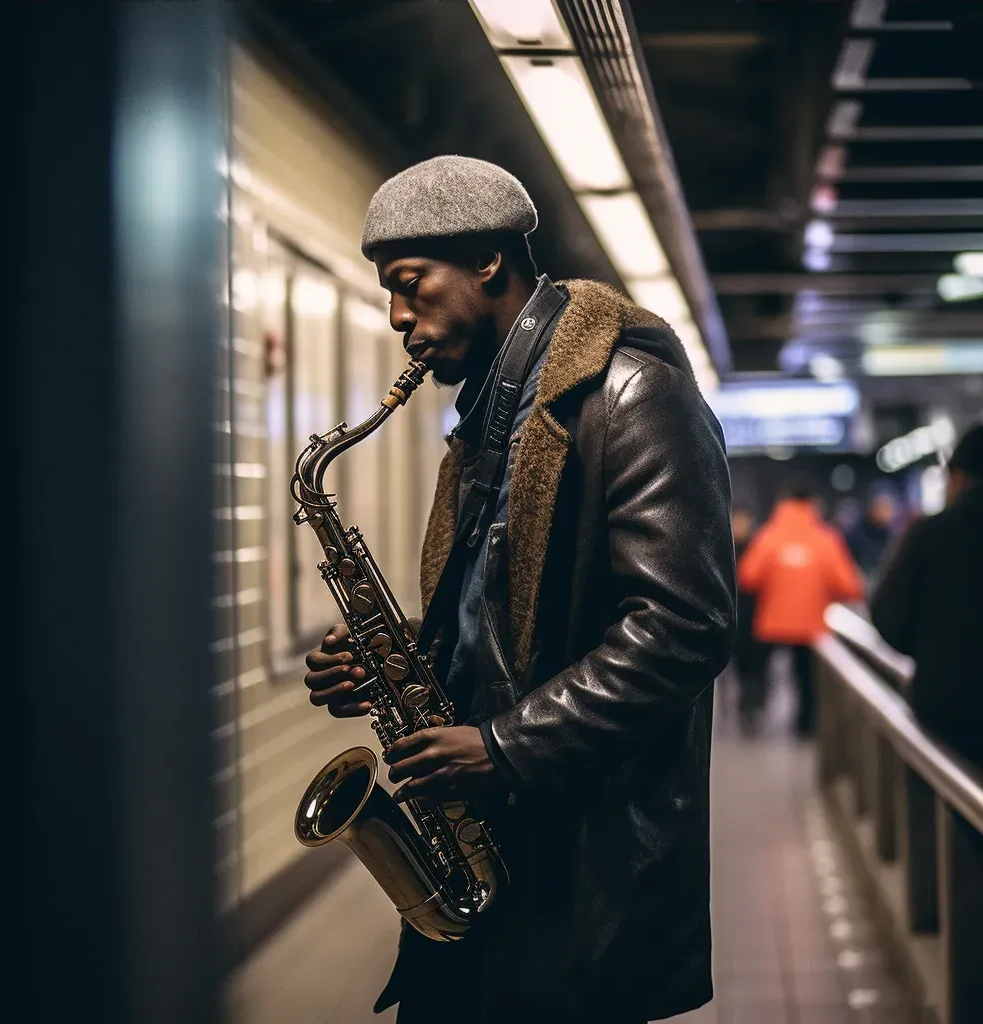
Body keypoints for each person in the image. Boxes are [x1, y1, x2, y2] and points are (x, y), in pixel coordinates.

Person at [302, 156, 735, 1023]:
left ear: (488, 261)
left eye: (410, 284)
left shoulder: (629, 393)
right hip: (499, 853)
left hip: (583, 868)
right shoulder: (493, 424)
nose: (398, 319)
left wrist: (501, 747)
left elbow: (684, 624)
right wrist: (400, 657)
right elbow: (512, 619)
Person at [870, 424, 983, 767]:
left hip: (947, 711)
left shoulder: (929, 535)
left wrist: (938, 652)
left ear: (959, 476)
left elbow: (888, 616)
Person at [737, 479, 863, 736]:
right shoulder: (826, 540)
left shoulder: (768, 536)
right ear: (812, 504)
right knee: (806, 680)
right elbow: (848, 585)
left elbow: (748, 577)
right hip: (810, 626)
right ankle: (806, 725)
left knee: (758, 670)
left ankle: (752, 711)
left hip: (771, 622)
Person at [730, 505, 766, 733]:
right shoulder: (724, 547)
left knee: (756, 666)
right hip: (733, 617)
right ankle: (744, 706)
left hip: (756, 616)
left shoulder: (758, 546)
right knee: (739, 667)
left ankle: (751, 706)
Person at [845, 484, 900, 586]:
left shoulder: (893, 538)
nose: (887, 513)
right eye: (883, 507)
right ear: (871, 508)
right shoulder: (856, 536)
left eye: (889, 508)